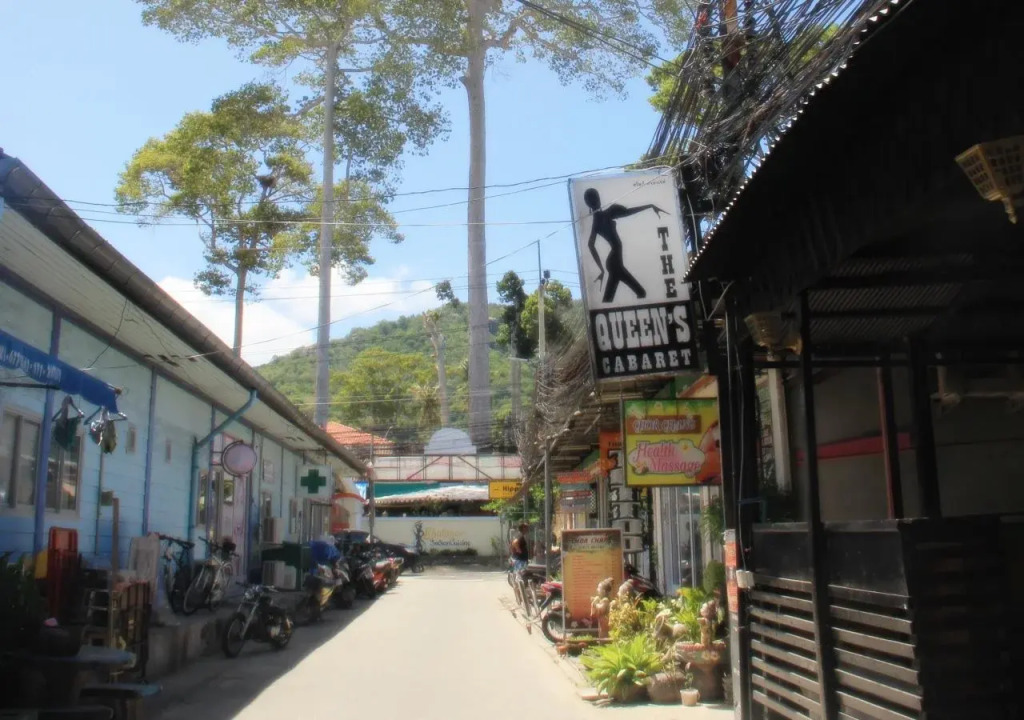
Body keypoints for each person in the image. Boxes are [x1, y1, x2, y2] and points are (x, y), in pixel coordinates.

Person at [583, 187, 668, 303]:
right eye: (596, 198)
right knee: (640, 293)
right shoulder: (605, 215)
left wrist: (601, 269)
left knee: (608, 299)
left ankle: (604, 309)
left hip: (614, 262)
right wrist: (649, 206)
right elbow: (628, 212)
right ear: (597, 200)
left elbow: (590, 245)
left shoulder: (598, 220)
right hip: (615, 263)